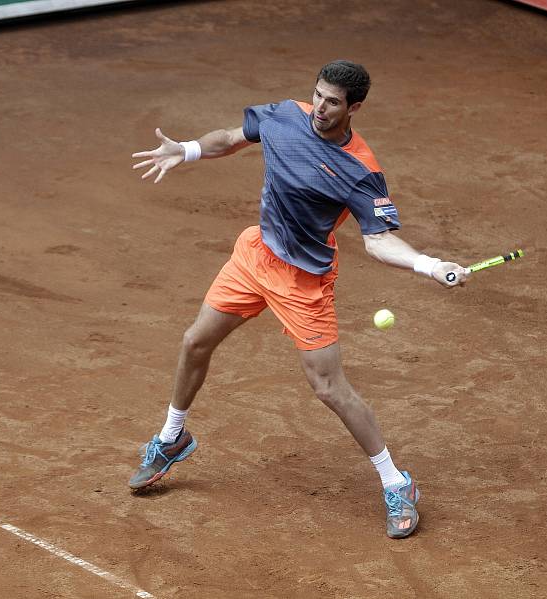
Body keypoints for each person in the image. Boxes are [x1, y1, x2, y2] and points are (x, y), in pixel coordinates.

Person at [129, 60, 469, 539]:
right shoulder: (287, 116)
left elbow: (378, 240)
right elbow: (229, 138)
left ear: (355, 108)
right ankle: (171, 438)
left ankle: (397, 484)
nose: (320, 109)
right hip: (255, 256)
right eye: (318, 95)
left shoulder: (360, 170)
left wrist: (429, 264)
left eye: (332, 102)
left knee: (330, 389)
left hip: (303, 283)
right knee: (194, 343)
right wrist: (184, 150)